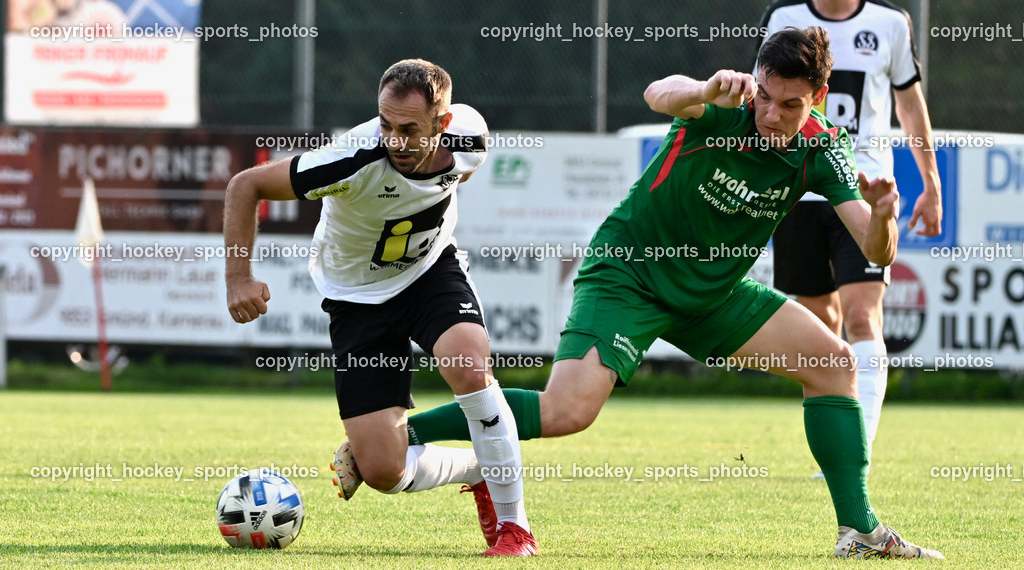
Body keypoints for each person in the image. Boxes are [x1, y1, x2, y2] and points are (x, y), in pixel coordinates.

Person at [334, 29, 943, 559]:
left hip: (712, 295)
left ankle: (859, 531)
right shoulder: (725, 107)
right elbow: (659, 93)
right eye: (764, 95)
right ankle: (404, 437)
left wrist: (884, 215)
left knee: (835, 365)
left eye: (789, 105)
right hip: (630, 274)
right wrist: (706, 89)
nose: (770, 114)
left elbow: (877, 250)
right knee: (567, 412)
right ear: (754, 80)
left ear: (817, 99)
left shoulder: (823, 146)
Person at [222, 58, 537, 557]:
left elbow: (454, 178)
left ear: (443, 123)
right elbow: (246, 185)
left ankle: (514, 528)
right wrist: (239, 277)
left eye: (409, 129)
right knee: (384, 471)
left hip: (428, 273)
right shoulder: (351, 159)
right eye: (386, 124)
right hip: (357, 298)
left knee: (470, 366)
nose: (394, 139)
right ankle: (478, 469)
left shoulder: (469, 139)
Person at [757, 0, 943, 469]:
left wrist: (930, 184)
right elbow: (764, 101)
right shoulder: (784, 16)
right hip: (799, 192)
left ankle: (856, 450)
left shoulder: (889, 23)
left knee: (862, 317)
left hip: (862, 193)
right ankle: (837, 440)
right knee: (822, 329)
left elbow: (910, 109)